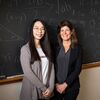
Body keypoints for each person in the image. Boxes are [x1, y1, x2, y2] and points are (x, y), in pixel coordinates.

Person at [20, 19, 55, 100]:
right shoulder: (25, 49)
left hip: (46, 92)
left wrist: (51, 88)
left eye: (42, 28)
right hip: (32, 91)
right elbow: (27, 72)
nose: (40, 31)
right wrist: (43, 88)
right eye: (36, 28)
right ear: (32, 30)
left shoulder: (47, 48)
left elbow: (52, 68)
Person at [54, 20, 82, 100]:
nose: (64, 33)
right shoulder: (55, 47)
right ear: (59, 33)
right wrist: (56, 84)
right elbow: (52, 67)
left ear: (71, 32)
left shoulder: (78, 48)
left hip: (72, 87)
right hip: (56, 86)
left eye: (67, 30)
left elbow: (77, 69)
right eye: (62, 30)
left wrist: (65, 85)